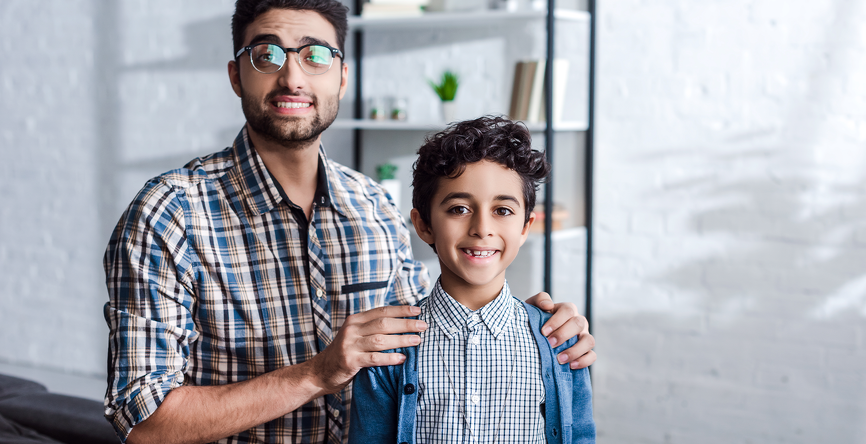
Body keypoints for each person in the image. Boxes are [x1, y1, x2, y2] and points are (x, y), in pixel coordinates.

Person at [102, 1, 596, 443]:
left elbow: (427, 326)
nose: (293, 78)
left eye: (314, 55)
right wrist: (317, 373)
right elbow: (144, 423)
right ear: (236, 75)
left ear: (341, 76)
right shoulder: (170, 213)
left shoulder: (374, 204)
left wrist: (523, 323)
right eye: (268, 55)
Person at [349, 116, 595, 443]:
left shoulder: (560, 341)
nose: (482, 228)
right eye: (459, 209)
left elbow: (579, 435)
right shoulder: (387, 349)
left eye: (503, 211)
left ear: (524, 226)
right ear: (423, 225)